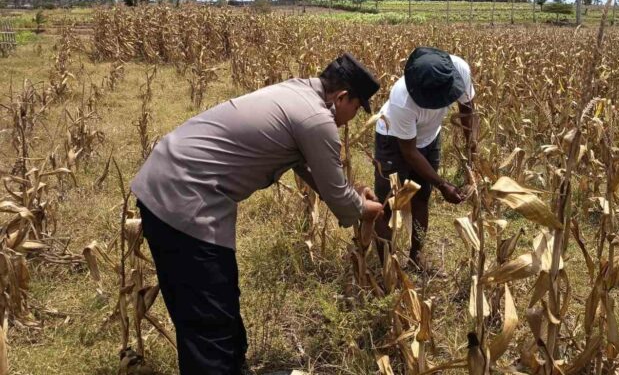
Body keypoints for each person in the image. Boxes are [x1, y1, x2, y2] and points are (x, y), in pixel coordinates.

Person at [130, 53, 385, 374]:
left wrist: (348, 194)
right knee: (208, 319)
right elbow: (342, 201)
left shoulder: (297, 91)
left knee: (213, 300)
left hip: (166, 182)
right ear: (343, 97)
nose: (354, 117)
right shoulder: (317, 119)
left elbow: (307, 166)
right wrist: (367, 208)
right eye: (357, 109)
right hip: (187, 199)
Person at [373, 46, 477, 270]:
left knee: (421, 197)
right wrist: (443, 184)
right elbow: (409, 152)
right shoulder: (402, 98)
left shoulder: (460, 69)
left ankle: (415, 258)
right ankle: (385, 268)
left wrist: (471, 147)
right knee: (388, 204)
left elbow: (467, 110)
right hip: (393, 139)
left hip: (430, 137)